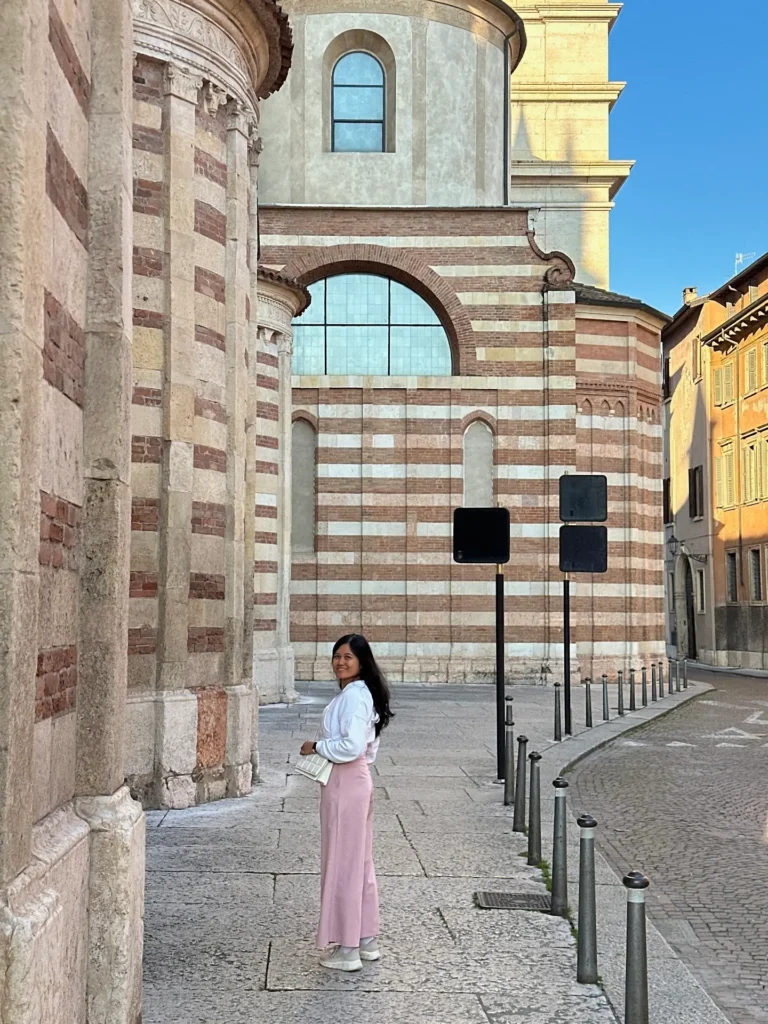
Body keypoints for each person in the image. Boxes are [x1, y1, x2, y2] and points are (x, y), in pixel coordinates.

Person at [299, 633, 394, 972]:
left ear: (361, 662)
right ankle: (365, 938)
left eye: (348, 657)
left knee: (342, 863)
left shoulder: (354, 697)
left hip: (344, 780)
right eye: (337, 655)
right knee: (359, 862)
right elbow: (368, 748)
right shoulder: (363, 693)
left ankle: (348, 947)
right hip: (357, 779)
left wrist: (317, 746)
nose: (340, 661)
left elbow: (351, 747)